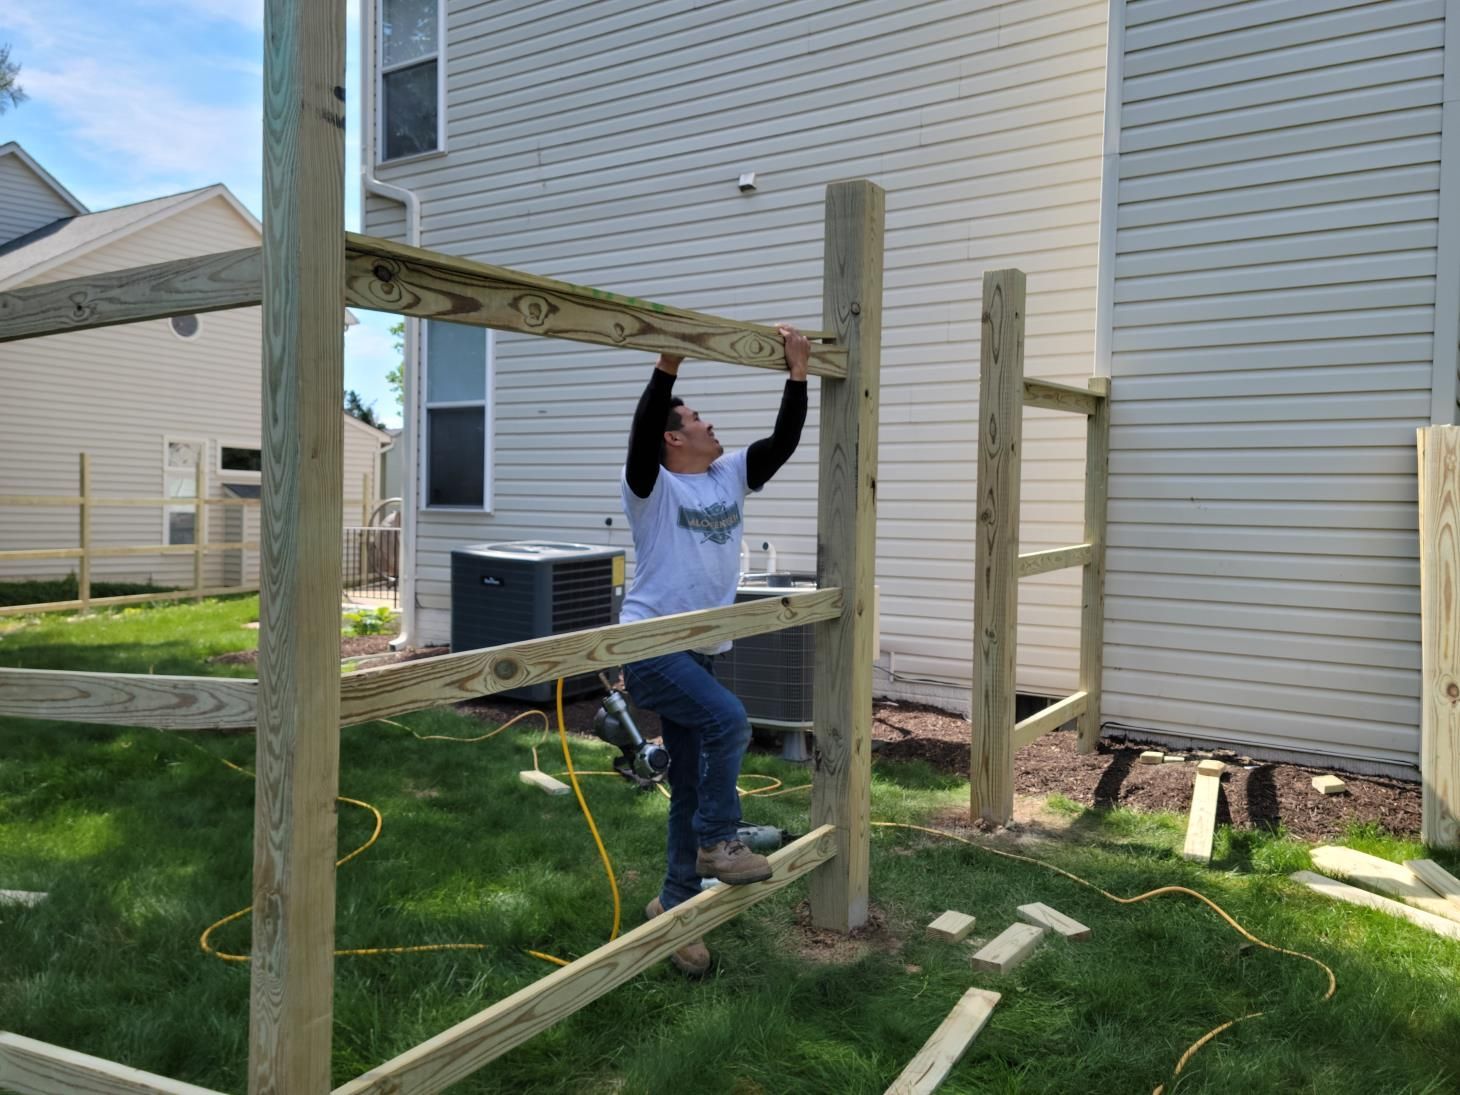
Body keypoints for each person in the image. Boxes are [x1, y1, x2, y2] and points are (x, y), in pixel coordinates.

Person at [619, 324, 810, 976]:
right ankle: (719, 842)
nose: (710, 423)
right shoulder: (651, 488)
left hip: (699, 651)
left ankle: (674, 906)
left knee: (689, 783)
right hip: (651, 644)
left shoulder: (728, 474)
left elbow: (783, 442)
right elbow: (642, 431)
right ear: (674, 437)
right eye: (697, 418)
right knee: (730, 720)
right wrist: (668, 364)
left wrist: (796, 375)